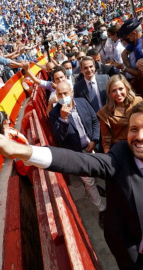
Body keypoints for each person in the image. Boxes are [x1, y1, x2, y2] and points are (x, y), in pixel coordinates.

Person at [0, 99, 143, 270]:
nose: (140, 136)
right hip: (133, 259)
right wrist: (23, 151)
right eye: (134, 129)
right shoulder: (120, 158)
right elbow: (81, 161)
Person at [48, 81, 106, 227]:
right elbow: (59, 138)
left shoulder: (82, 102)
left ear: (72, 92)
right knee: (89, 182)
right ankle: (102, 209)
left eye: (65, 93)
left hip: (92, 147)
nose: (63, 96)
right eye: (59, 94)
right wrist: (64, 119)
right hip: (77, 154)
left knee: (102, 172)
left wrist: (94, 140)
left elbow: (95, 122)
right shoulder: (55, 114)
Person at [97, 74, 143, 153]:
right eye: (114, 90)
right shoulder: (104, 112)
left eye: (121, 89)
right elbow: (106, 140)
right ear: (109, 93)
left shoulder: (138, 102)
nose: (118, 93)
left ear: (127, 88)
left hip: (139, 144)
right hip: (121, 150)